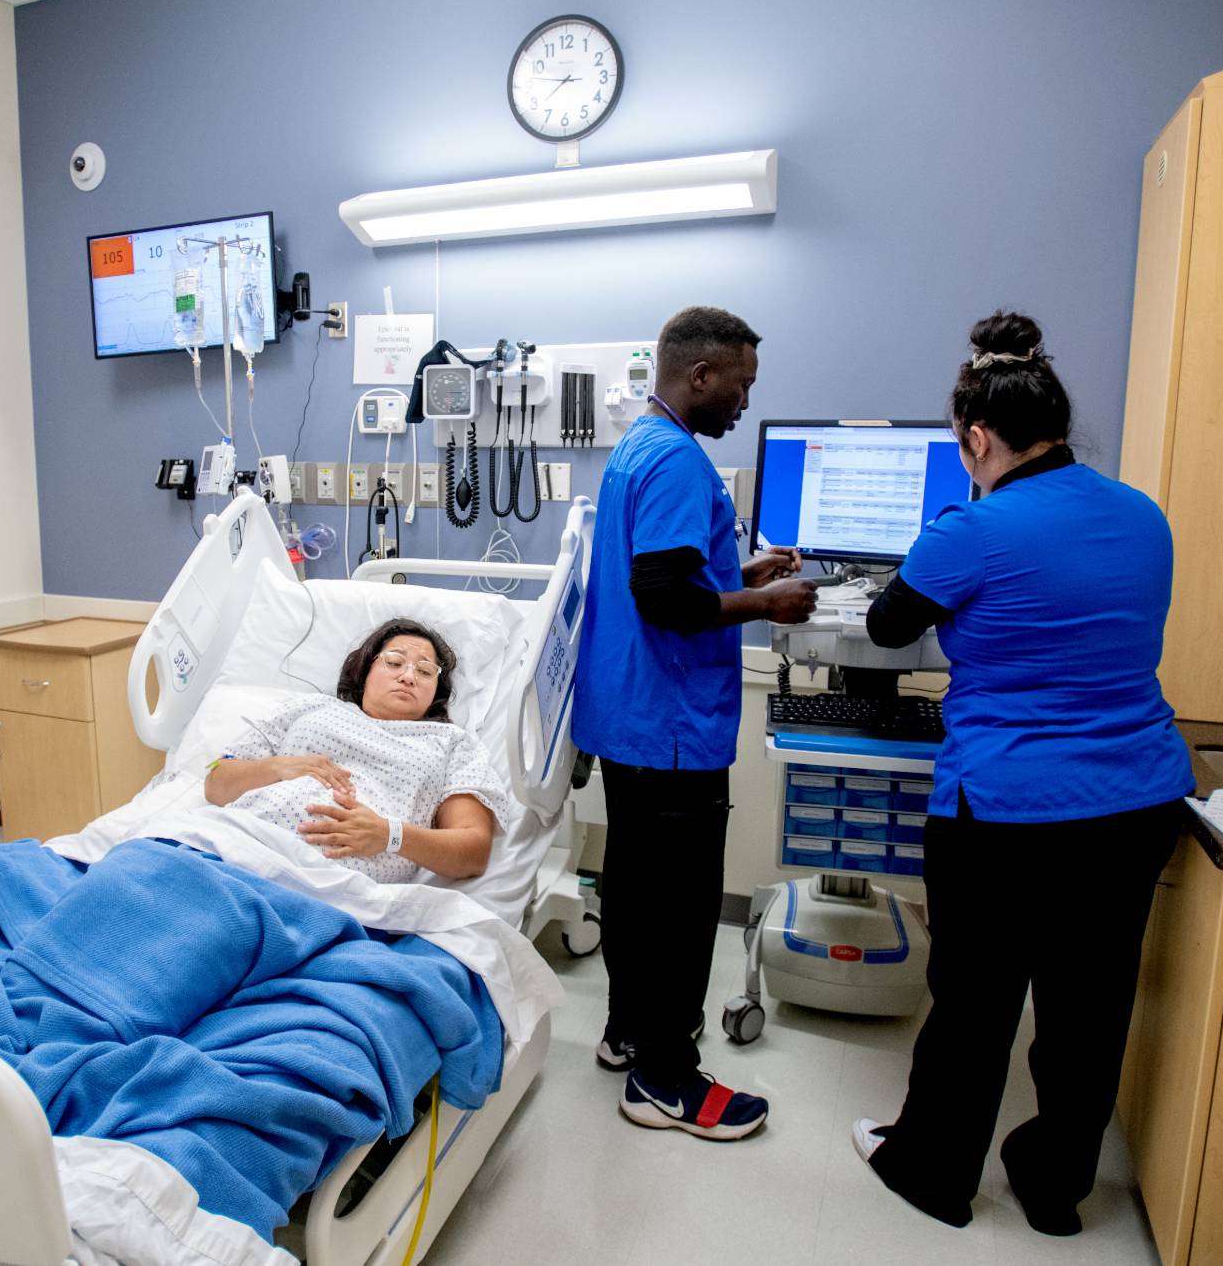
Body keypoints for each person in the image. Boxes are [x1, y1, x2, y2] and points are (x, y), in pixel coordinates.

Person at [850, 311, 1195, 1233]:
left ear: (976, 437)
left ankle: (932, 1171)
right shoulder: (1143, 512)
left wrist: (947, 540)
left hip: (1006, 805)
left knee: (974, 999)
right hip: (1135, 798)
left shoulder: (974, 527)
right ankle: (1053, 1188)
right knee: (1090, 1006)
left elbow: (887, 625)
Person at [571, 305, 819, 1141]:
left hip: (632, 715)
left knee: (636, 888)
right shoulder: (678, 460)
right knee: (676, 909)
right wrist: (767, 600)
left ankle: (629, 1034)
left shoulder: (641, 444)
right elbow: (667, 598)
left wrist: (741, 572)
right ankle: (666, 1080)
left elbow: (669, 570)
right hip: (670, 721)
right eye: (741, 385)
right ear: (701, 375)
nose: (745, 403)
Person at [204, 618, 504, 882]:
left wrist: (390, 835)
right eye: (394, 662)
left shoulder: (451, 743)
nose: (409, 676)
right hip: (235, 847)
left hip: (332, 885)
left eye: (425, 671)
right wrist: (278, 767)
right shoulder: (311, 707)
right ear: (366, 669)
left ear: (436, 691)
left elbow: (472, 852)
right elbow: (215, 783)